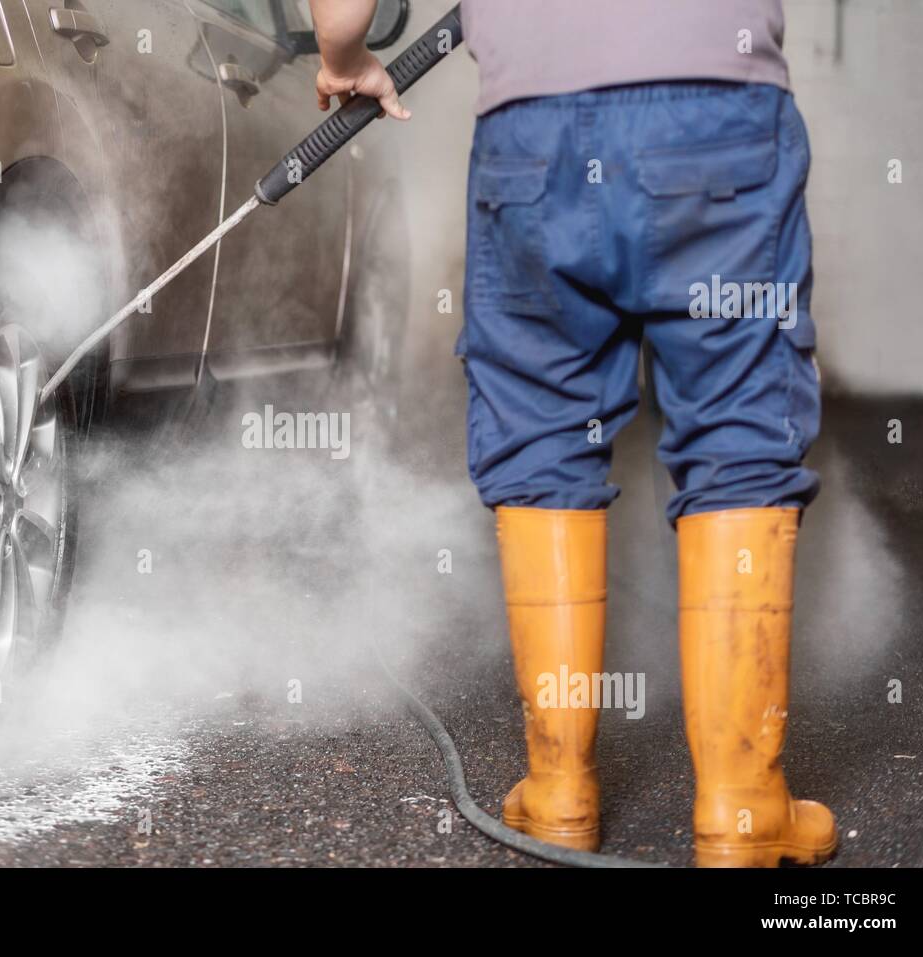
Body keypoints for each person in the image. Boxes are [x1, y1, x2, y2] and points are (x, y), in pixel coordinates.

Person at [307, 0, 834, 867]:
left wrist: (345, 53)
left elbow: (344, 10)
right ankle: (742, 812)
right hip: (718, 111)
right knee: (740, 427)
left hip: (533, 131)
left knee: (542, 425)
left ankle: (558, 793)